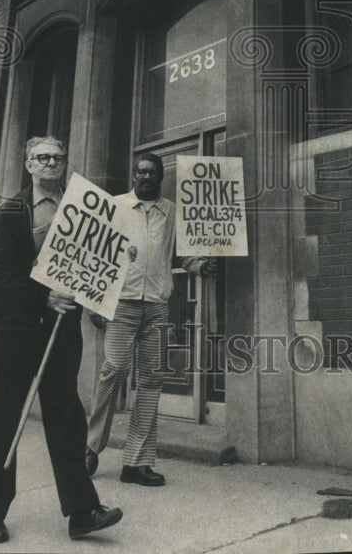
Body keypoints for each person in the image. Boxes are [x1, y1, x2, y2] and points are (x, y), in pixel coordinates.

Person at [0, 136, 123, 543]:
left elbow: (94, 263)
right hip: (15, 328)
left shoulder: (81, 212)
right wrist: (43, 294)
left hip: (62, 327)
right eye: (43, 157)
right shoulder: (11, 212)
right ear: (28, 164)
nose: (51, 163)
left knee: (66, 414)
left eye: (58, 158)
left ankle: (82, 512)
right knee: (7, 414)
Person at [85, 151, 215, 486]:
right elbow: (95, 258)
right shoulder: (114, 207)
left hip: (157, 306)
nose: (145, 178)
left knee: (152, 380)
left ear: (160, 177)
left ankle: (136, 463)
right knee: (114, 368)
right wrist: (94, 304)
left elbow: (182, 255)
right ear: (133, 176)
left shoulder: (172, 212)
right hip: (120, 305)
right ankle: (90, 445)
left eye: (152, 173)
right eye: (140, 172)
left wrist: (201, 266)